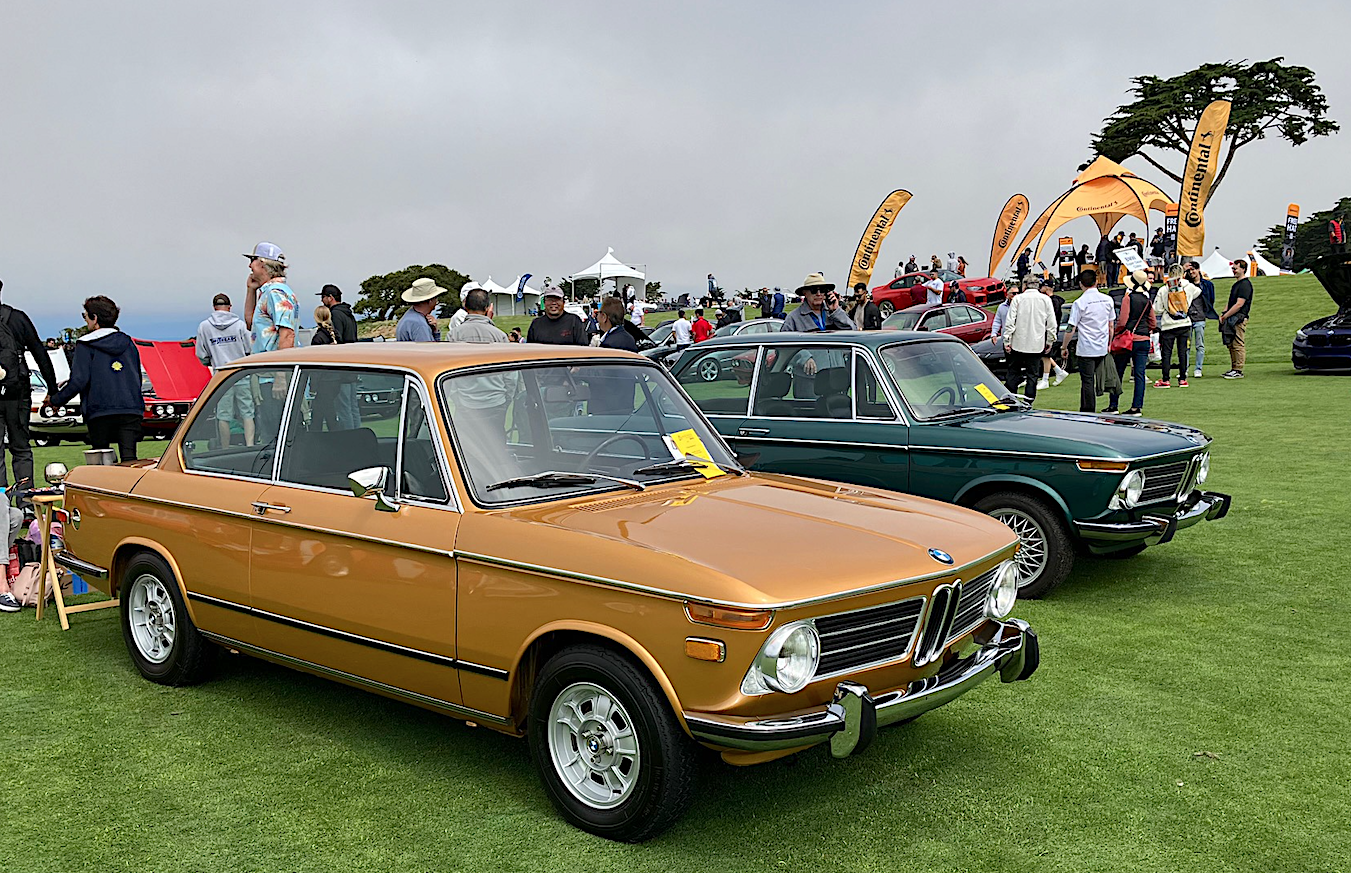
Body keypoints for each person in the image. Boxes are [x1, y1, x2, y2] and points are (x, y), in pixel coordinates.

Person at [47, 297, 144, 462]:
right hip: (130, 407)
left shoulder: (86, 344)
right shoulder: (128, 343)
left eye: (85, 316)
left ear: (95, 318)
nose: (85, 320)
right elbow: (137, 376)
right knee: (130, 459)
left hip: (100, 408)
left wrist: (56, 400)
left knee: (100, 460)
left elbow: (79, 380)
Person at [0, 279, 60, 495]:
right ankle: (25, 500)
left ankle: (1, 502)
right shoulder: (17, 318)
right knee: (21, 447)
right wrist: (52, 390)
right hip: (17, 392)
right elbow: (40, 354)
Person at [242, 241, 298, 442]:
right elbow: (250, 323)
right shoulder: (268, 293)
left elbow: (287, 334)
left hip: (274, 377)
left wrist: (280, 376)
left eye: (253, 260)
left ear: (263, 263)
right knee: (269, 431)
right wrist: (251, 290)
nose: (250, 265)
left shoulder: (276, 293)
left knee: (275, 435)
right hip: (268, 375)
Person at [1063, 270, 1117, 413]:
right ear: (1096, 282)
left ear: (1081, 284)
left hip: (1086, 347)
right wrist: (1109, 343)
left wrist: (1064, 346)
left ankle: (1088, 409)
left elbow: (1071, 327)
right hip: (1102, 346)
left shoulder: (1079, 302)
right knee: (1103, 378)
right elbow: (1111, 325)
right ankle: (1109, 404)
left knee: (1087, 381)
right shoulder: (1107, 300)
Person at [1001, 275, 1057, 402]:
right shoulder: (1045, 300)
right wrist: (1049, 341)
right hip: (1036, 344)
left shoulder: (1018, 299)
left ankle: (1011, 400)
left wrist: (1007, 340)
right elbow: (1051, 324)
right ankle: (1028, 402)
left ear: (1024, 285)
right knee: (1032, 375)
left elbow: (1010, 322)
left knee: (1013, 373)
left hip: (1018, 343)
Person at [1110, 270, 1157, 415]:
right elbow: (1153, 322)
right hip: (1144, 339)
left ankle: (1113, 405)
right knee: (1139, 374)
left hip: (1128, 339)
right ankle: (1137, 407)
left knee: (1118, 372)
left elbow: (1123, 321)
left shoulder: (1128, 298)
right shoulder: (1147, 300)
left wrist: (1117, 332)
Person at [1153, 267, 1200, 388]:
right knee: (1182, 352)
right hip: (1184, 323)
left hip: (1168, 324)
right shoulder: (1188, 287)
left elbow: (1157, 309)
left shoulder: (1164, 289)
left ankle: (1166, 379)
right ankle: (1183, 379)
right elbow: (1198, 292)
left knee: (1166, 353)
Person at [782, 273, 857, 332]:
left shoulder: (833, 312)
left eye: (822, 290)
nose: (818, 294)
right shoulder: (793, 318)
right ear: (805, 293)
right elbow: (784, 343)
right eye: (813, 290)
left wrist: (835, 311)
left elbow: (853, 331)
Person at [196, 293, 252, 369]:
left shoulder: (204, 327)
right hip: (240, 371)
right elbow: (250, 348)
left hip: (219, 372)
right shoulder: (240, 325)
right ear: (229, 306)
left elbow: (201, 354)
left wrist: (211, 362)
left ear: (214, 307)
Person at [1220, 260, 1254, 379]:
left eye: (1236, 268)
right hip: (1231, 318)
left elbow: (1239, 304)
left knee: (1238, 343)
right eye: (1233, 268)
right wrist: (1223, 313)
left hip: (1239, 318)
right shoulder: (1237, 284)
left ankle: (1238, 369)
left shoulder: (1245, 284)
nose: (1233, 270)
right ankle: (1234, 368)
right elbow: (1231, 302)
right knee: (1231, 344)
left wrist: (1226, 315)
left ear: (1243, 269)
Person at [1186, 261, 1216, 378]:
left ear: (1198, 269)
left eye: (1193, 269)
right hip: (1187, 318)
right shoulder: (1186, 284)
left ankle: (1198, 369)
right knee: (1185, 346)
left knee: (1200, 345)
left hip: (1200, 317)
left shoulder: (1207, 285)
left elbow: (1211, 300)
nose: (1191, 272)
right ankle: (1184, 369)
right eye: (1189, 270)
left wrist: (1206, 311)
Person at [1037, 280, 1069, 389]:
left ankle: (1045, 379)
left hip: (1049, 329)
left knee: (1045, 354)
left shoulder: (1052, 302)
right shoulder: (1054, 300)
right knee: (1042, 353)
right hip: (1048, 329)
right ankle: (1059, 371)